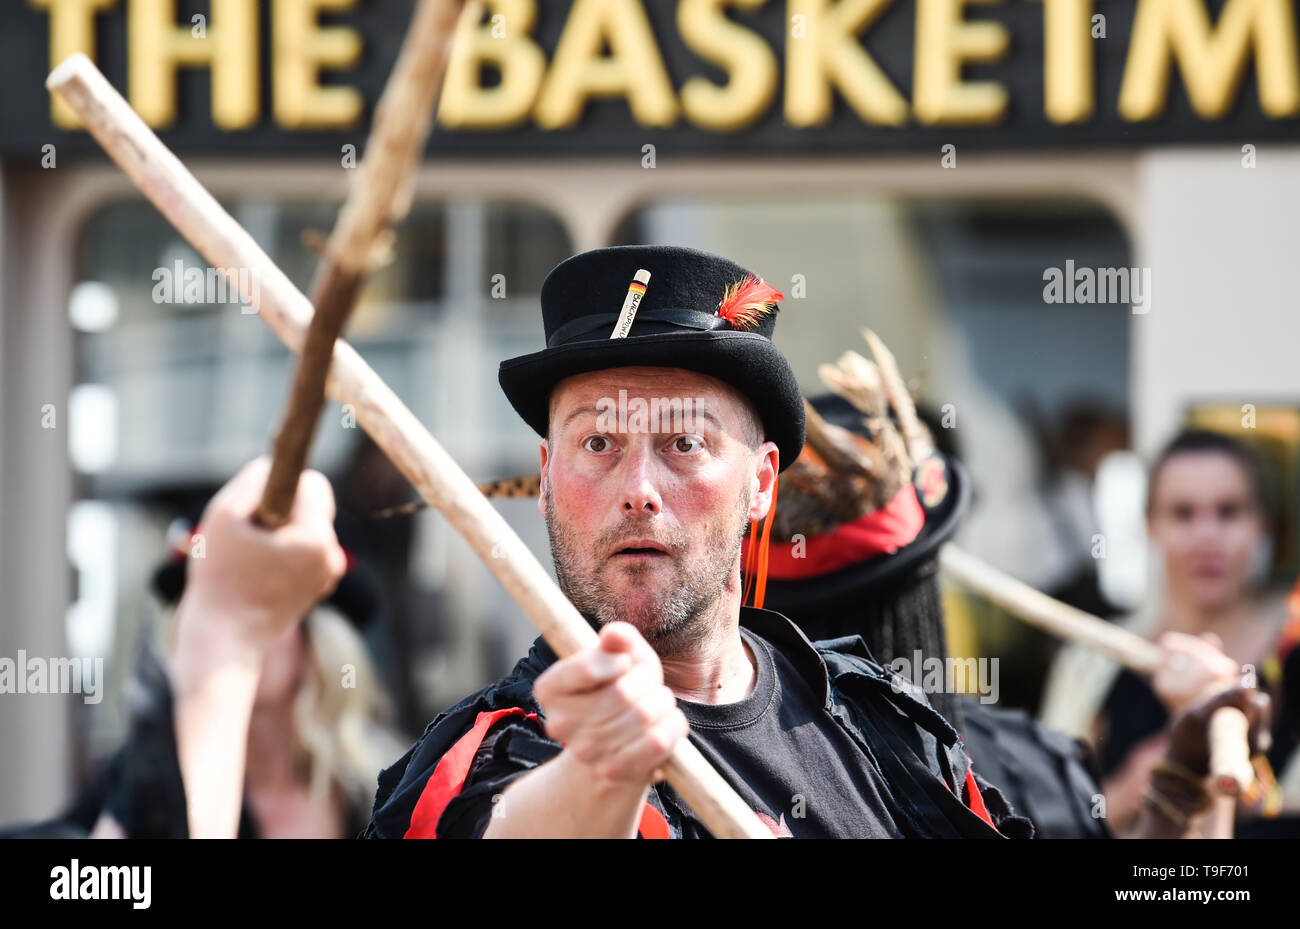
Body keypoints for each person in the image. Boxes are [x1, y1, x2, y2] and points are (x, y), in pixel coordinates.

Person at [1084, 430, 1295, 836]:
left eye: (1229, 512)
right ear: (1151, 526)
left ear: (1263, 526)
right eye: (1183, 513)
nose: (1206, 537)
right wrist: (1125, 791)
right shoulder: (1095, 660)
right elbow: (1046, 817)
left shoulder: (1292, 653)